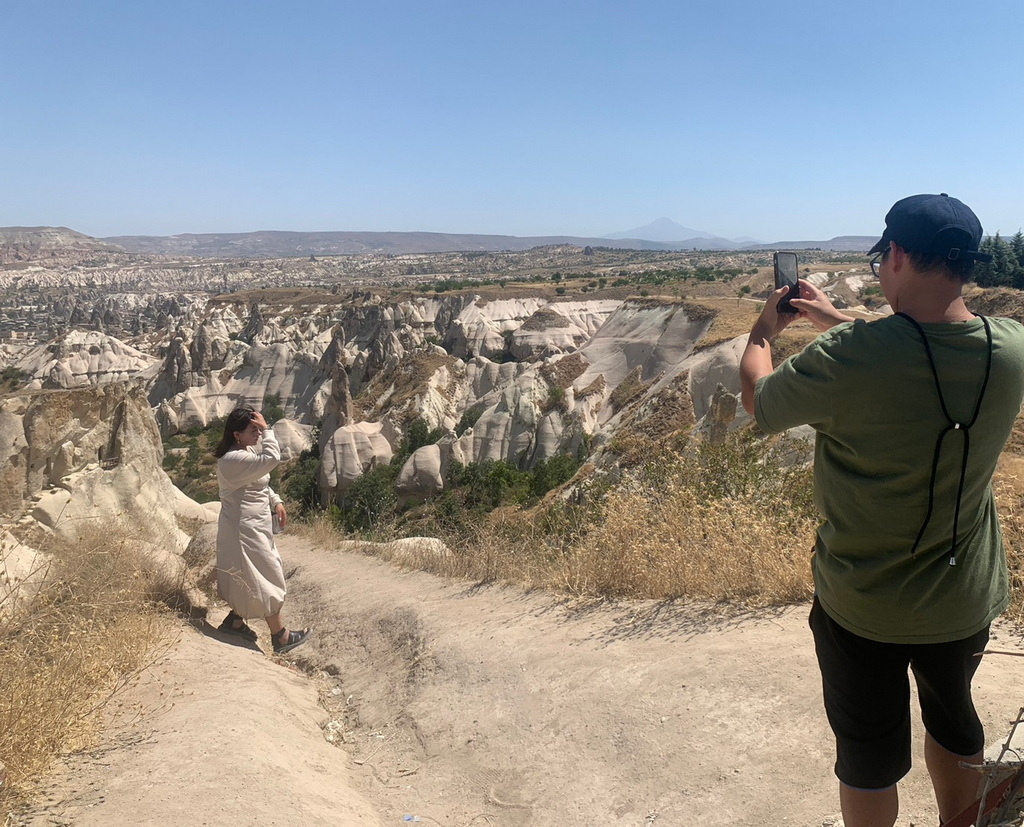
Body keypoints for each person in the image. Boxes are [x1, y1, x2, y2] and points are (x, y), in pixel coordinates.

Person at [739, 194, 1024, 827]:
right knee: (955, 719)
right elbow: (922, 343)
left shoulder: (845, 364)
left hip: (862, 602)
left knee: (868, 751)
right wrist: (837, 317)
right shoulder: (1011, 350)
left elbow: (759, 397)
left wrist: (763, 332)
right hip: (962, 597)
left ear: (894, 255)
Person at [213, 405, 310, 655]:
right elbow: (271, 460)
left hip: (253, 526)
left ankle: (234, 622)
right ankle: (281, 636)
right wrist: (268, 431)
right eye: (253, 429)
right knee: (266, 573)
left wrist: (275, 501)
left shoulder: (245, 453)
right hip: (243, 530)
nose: (257, 433)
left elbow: (261, 482)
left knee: (250, 573)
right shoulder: (232, 459)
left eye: (259, 429)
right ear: (237, 434)